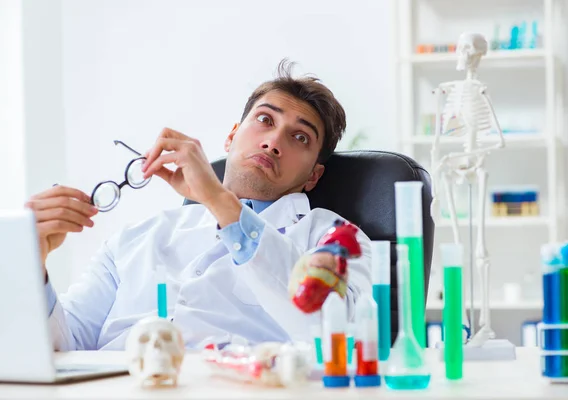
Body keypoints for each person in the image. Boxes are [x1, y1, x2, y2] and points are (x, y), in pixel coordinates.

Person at [26, 60, 372, 351]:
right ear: (231, 136)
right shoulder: (134, 240)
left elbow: (334, 335)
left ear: (313, 176)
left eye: (300, 137)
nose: (273, 142)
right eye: (265, 120)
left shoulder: (336, 240)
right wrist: (33, 267)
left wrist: (221, 202)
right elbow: (66, 348)